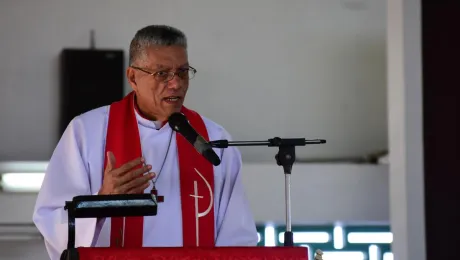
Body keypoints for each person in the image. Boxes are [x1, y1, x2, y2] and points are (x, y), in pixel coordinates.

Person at [33, 25, 258, 260]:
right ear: (132, 77)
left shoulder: (213, 140)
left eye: (182, 71)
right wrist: (100, 203)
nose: (176, 84)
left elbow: (238, 237)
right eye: (162, 73)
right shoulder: (86, 132)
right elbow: (52, 220)